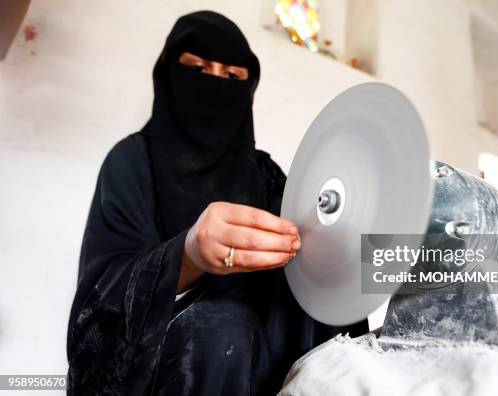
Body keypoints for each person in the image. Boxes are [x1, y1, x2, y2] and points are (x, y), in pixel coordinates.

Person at [66, 10, 367, 395]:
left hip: (262, 357)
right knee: (221, 329)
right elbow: (101, 293)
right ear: (168, 75)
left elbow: (309, 263)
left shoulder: (265, 175)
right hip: (169, 365)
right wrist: (187, 255)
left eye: (231, 77)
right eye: (199, 67)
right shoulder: (132, 162)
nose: (214, 83)